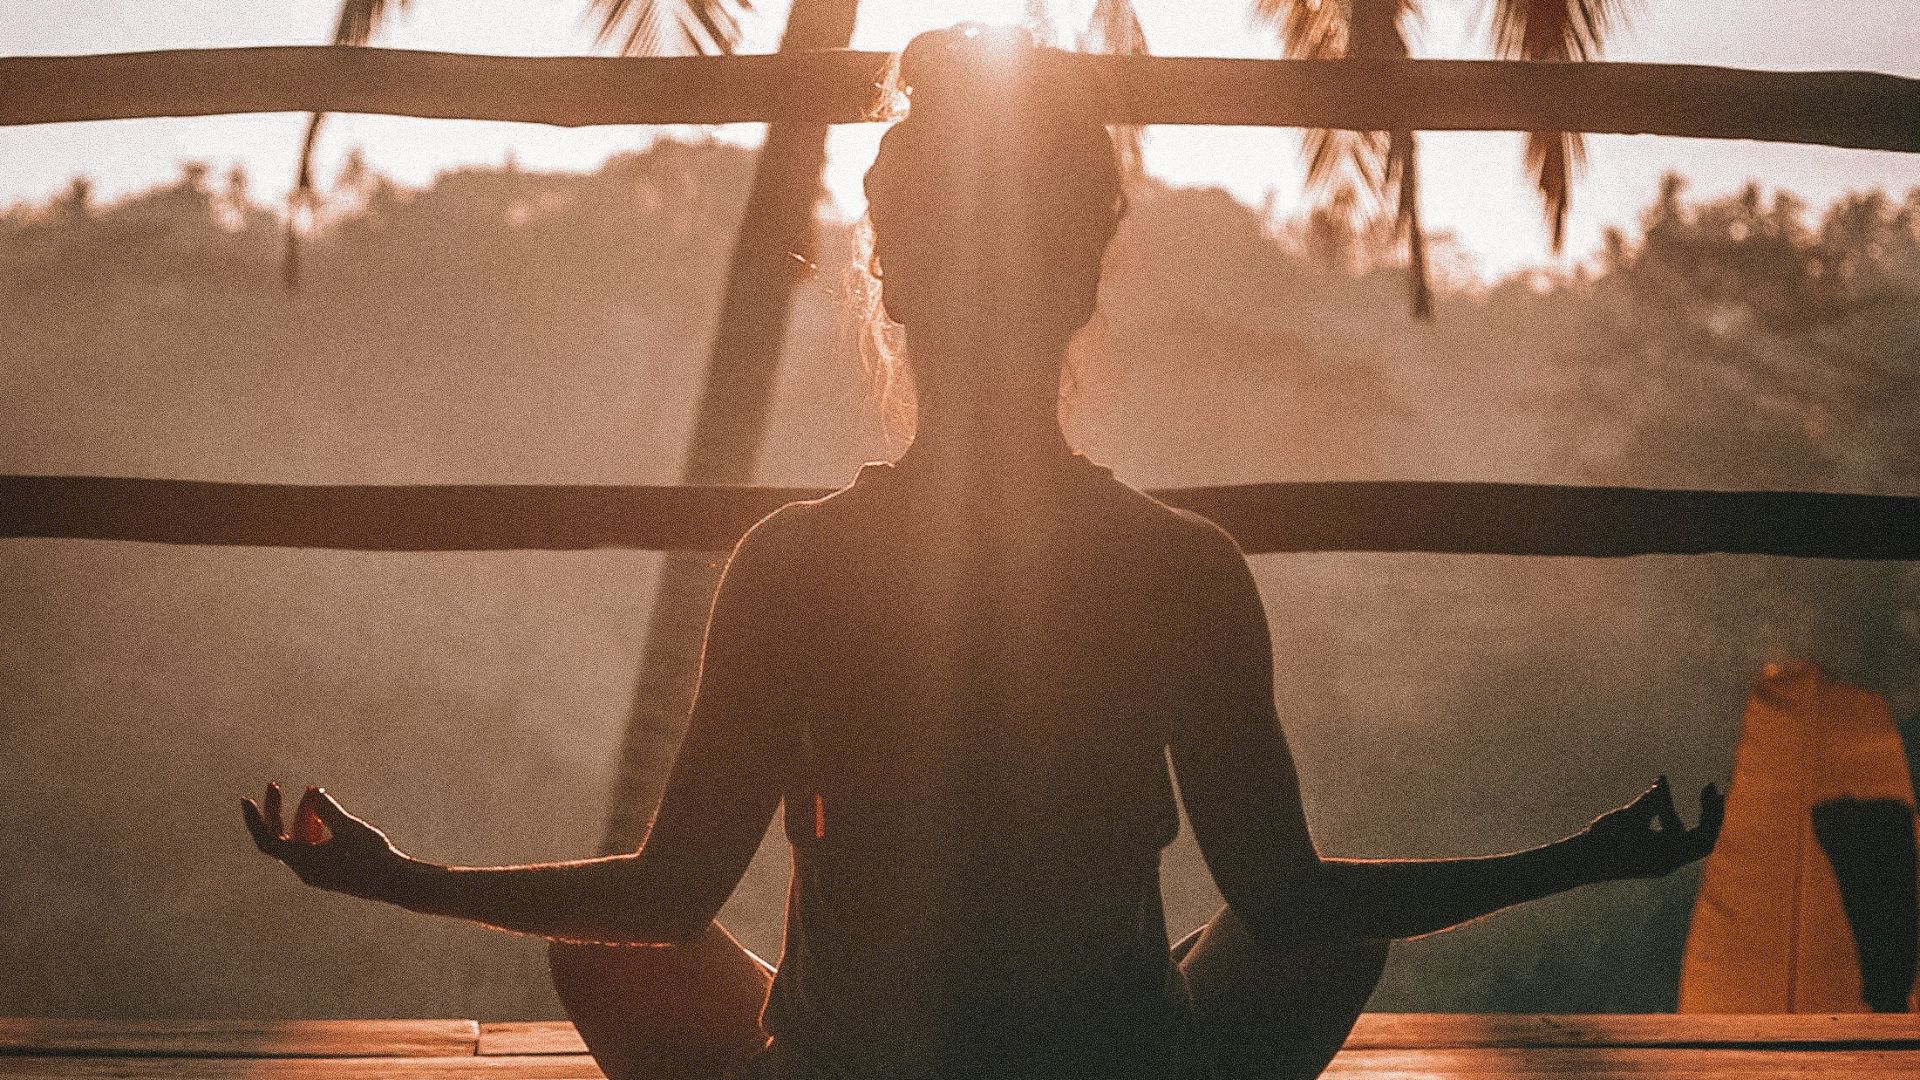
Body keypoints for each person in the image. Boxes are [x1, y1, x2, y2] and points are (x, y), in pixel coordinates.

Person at [242, 25, 1724, 1080]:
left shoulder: (795, 564)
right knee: (1327, 938)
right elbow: (1290, 904)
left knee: (599, 952)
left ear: (889, 283)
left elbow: (662, 899)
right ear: (1083, 280)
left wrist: (398, 875)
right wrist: (1583, 860)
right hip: (1118, 1065)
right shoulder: (1182, 566)